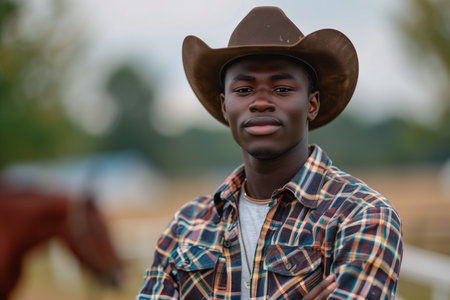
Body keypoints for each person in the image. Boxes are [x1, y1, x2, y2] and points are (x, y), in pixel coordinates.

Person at [136, 6, 403, 300]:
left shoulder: (362, 216)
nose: (261, 102)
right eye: (243, 90)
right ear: (225, 106)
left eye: (282, 89)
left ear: (311, 104)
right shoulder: (185, 226)